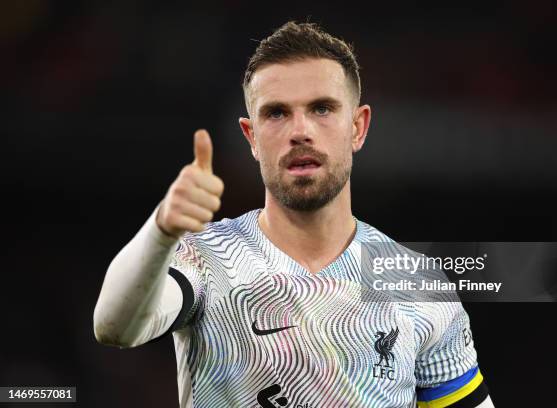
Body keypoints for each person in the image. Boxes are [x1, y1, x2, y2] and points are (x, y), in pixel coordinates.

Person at [93, 21, 494, 408]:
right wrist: (163, 229)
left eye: (321, 109)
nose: (300, 130)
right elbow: (115, 327)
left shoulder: (417, 285)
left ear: (358, 127)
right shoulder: (205, 258)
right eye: (277, 113)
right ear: (251, 137)